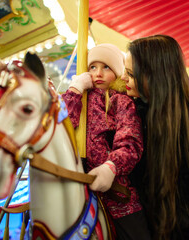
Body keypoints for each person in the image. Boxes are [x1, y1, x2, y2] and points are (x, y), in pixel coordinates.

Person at [121, 35, 189, 240]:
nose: (123, 78)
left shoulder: (181, 125)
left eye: (130, 74)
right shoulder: (146, 110)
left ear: (154, 77)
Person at [62, 43, 151, 239]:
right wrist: (74, 91)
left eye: (106, 67)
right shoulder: (80, 98)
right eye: (92, 67)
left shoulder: (122, 101)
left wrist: (111, 167)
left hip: (116, 190)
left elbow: (130, 142)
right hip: (79, 188)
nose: (98, 73)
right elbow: (62, 126)